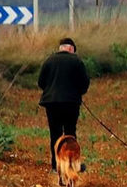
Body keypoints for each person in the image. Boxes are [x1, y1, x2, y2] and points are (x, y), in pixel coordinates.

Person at [38, 37, 90, 170]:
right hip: (71, 103)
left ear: (61, 48)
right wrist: (78, 92)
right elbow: (85, 83)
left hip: (51, 103)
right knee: (70, 133)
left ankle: (56, 166)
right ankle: (72, 165)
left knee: (55, 134)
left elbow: (40, 82)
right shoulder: (77, 62)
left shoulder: (48, 61)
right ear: (71, 49)